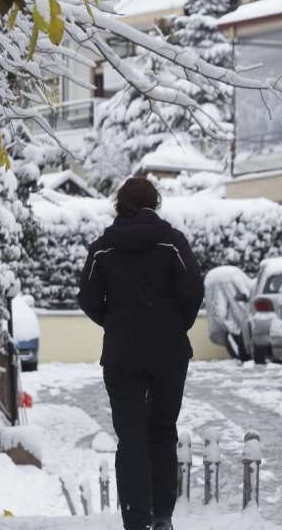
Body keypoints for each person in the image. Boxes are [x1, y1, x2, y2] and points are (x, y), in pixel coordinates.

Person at [78, 177, 203, 530]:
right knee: (163, 430)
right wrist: (175, 325)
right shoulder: (173, 242)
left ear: (119, 205)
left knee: (131, 436)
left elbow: (87, 298)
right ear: (155, 202)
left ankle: (136, 520)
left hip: (121, 354)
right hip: (169, 352)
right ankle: (162, 517)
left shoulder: (103, 247)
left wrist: (114, 323)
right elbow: (193, 289)